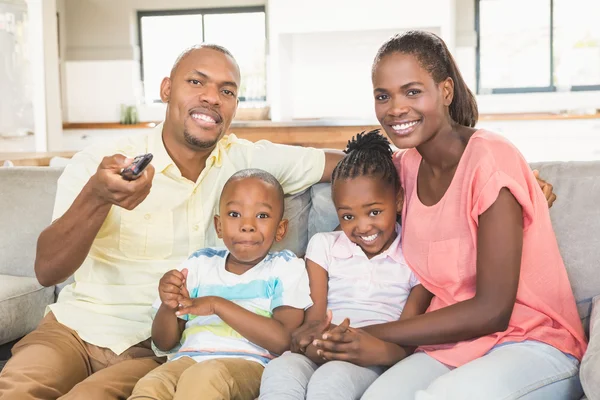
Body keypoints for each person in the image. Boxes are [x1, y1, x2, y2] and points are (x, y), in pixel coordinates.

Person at [0, 44, 343, 400]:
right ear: (166, 89)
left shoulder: (247, 160)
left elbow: (347, 166)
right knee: (16, 391)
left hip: (156, 346)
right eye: (197, 82)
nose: (212, 97)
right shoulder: (102, 161)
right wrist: (97, 197)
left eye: (227, 91)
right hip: (73, 327)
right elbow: (47, 271)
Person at [313, 31, 587, 399]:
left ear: (445, 91)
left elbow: (493, 311)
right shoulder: (404, 169)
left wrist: (373, 332)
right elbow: (355, 183)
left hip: (531, 341)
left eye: (412, 91)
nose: (395, 108)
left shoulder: (490, 158)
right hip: (452, 345)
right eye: (383, 96)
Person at [260, 130, 430, 400]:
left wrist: (376, 350)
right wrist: (312, 340)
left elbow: (409, 339)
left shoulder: (417, 255)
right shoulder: (324, 246)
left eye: (374, 212)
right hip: (326, 346)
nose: (363, 226)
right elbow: (314, 321)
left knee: (331, 378)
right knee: (281, 368)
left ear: (397, 200)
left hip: (374, 355)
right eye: (348, 216)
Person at [129, 169, 312, 400]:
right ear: (218, 226)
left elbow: (283, 341)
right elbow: (164, 343)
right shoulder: (199, 263)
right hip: (186, 360)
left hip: (249, 365)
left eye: (262, 216)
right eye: (235, 214)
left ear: (280, 229)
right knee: (151, 384)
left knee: (204, 377)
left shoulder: (285, 267)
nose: (247, 225)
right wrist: (168, 304)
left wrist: (217, 305)